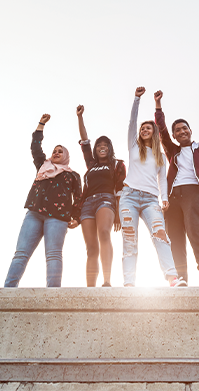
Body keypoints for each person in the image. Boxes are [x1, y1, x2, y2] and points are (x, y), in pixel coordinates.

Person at [119, 86, 186, 287]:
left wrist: (164, 198)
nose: (144, 129)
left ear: (154, 132)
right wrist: (137, 99)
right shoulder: (133, 146)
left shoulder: (159, 156)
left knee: (161, 237)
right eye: (143, 128)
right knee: (130, 239)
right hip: (129, 196)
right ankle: (129, 283)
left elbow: (162, 179)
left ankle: (172, 278)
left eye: (149, 128)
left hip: (150, 200)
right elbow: (132, 122)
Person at [4, 114, 82, 287]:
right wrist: (41, 125)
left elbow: (78, 198)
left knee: (53, 254)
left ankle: (53, 294)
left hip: (58, 217)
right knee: (21, 253)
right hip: (34, 214)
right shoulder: (43, 167)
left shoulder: (73, 175)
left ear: (66, 156)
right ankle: (8, 290)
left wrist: (77, 217)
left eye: (60, 151)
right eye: (54, 150)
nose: (56, 153)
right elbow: (35, 147)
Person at [153, 90, 199, 286]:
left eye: (184, 128)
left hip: (193, 193)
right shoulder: (173, 151)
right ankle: (181, 279)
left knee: (197, 233)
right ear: (174, 135)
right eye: (177, 131)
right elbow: (161, 131)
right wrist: (158, 105)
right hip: (173, 197)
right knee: (176, 238)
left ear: (190, 130)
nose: (181, 132)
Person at [76, 104, 126, 287]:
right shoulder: (91, 164)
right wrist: (80, 117)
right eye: (99, 145)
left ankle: (106, 281)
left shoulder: (117, 164)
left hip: (106, 200)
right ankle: (90, 288)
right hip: (87, 204)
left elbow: (121, 188)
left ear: (109, 148)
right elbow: (85, 141)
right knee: (91, 248)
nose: (101, 147)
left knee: (104, 233)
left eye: (105, 146)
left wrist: (119, 212)